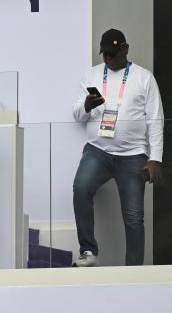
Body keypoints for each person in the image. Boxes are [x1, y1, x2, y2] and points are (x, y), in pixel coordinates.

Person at [71, 28, 163, 267]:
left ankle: (134, 270)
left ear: (126, 49)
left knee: (133, 217)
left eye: (114, 54)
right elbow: (77, 115)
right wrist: (87, 106)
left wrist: (155, 158)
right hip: (98, 150)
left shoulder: (144, 77)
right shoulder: (91, 76)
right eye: (106, 55)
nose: (110, 59)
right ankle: (88, 253)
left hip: (133, 155)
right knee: (80, 189)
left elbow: (155, 119)